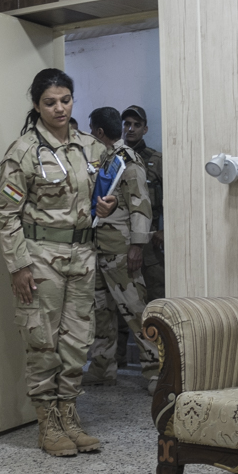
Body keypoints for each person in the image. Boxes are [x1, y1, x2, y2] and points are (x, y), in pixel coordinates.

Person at [0, 68, 117, 457]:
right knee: (42, 340)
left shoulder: (89, 147)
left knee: (78, 340)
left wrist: (106, 205)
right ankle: (47, 423)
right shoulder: (24, 151)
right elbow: (6, 214)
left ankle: (70, 415)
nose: (59, 108)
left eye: (65, 100)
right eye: (50, 102)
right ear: (36, 105)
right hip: (41, 258)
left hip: (82, 255)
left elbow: (103, 195)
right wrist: (18, 266)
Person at [84, 106, 160, 393]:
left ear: (99, 132)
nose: (91, 134)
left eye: (92, 130)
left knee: (135, 310)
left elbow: (141, 204)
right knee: (101, 313)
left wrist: (137, 247)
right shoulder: (104, 160)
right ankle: (103, 368)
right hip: (99, 248)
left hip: (121, 249)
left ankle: (155, 371)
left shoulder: (128, 161)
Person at [121, 105, 164, 303]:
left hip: (150, 240)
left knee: (156, 296)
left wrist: (165, 231)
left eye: (136, 125)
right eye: (127, 124)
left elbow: (171, 200)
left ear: (145, 129)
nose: (131, 129)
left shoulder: (156, 160)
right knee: (121, 299)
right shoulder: (115, 158)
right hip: (120, 238)